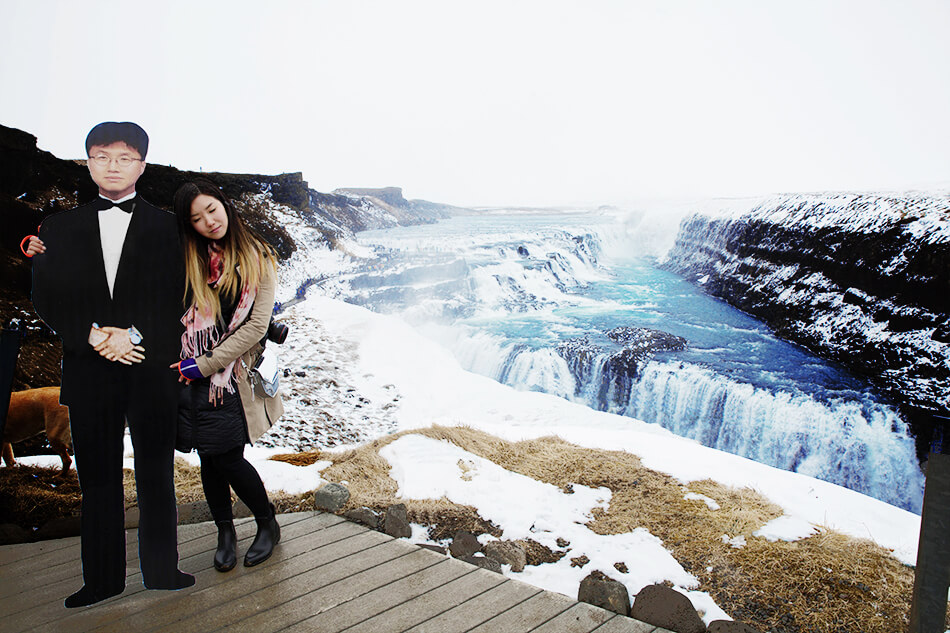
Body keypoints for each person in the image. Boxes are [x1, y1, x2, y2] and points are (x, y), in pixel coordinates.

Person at [29, 122, 194, 608]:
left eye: (125, 157)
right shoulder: (57, 228)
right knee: (97, 478)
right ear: (87, 162)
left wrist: (133, 334)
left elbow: (180, 294)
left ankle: (162, 571)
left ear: (142, 165)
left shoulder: (170, 227)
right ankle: (102, 581)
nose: (114, 165)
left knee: (155, 473)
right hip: (88, 369)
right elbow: (45, 296)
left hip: (149, 365)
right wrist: (93, 335)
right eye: (102, 156)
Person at [169, 178, 284, 571]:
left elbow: (255, 327)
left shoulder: (258, 257)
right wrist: (45, 246)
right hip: (190, 378)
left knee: (229, 457)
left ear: (225, 205)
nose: (208, 221)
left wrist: (203, 364)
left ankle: (266, 521)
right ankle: (225, 531)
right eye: (197, 218)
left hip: (227, 379)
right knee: (208, 458)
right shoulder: (189, 258)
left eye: (212, 210)